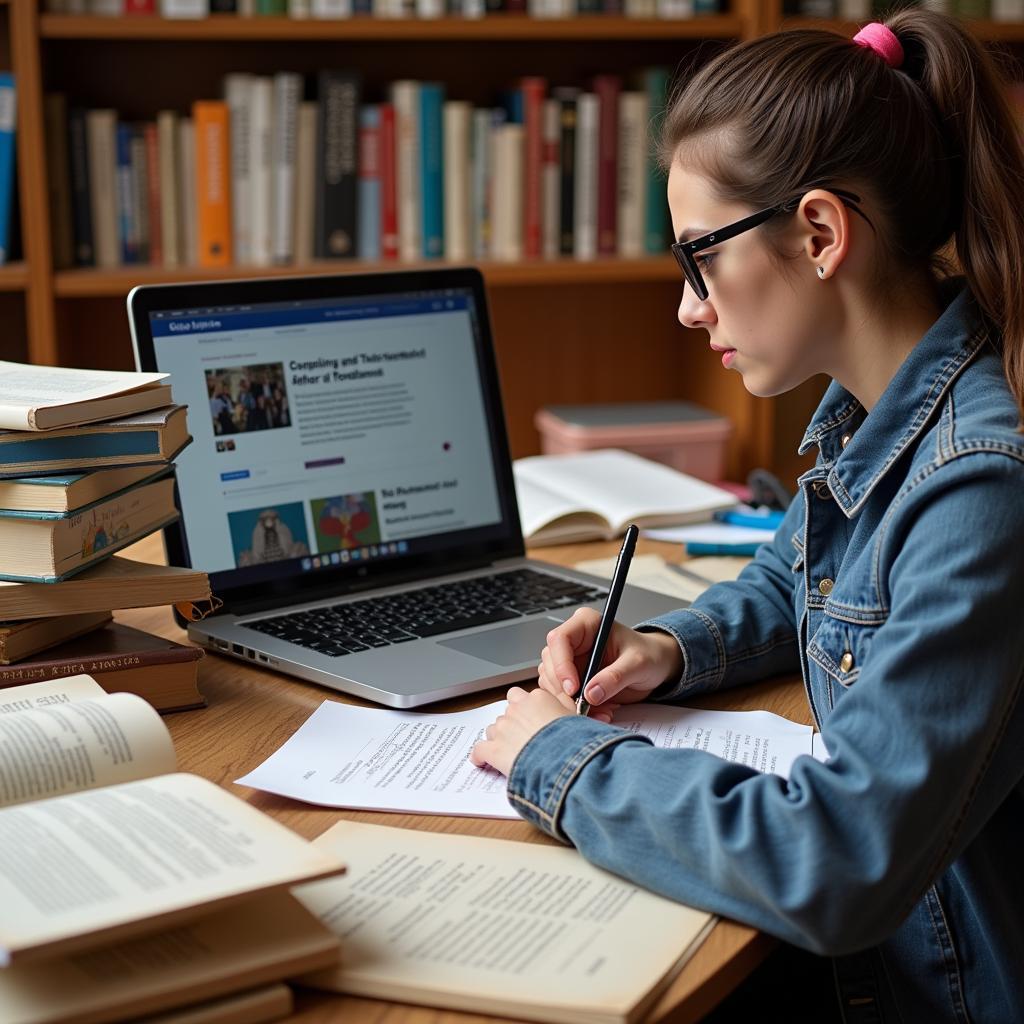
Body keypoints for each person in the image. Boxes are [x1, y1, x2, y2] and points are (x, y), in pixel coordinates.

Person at [470, 11, 1024, 1022]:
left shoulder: (979, 479)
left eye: (699, 258)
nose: (688, 307)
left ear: (819, 233)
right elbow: (798, 577)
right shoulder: (886, 404)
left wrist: (558, 758)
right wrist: (669, 648)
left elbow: (839, 859)